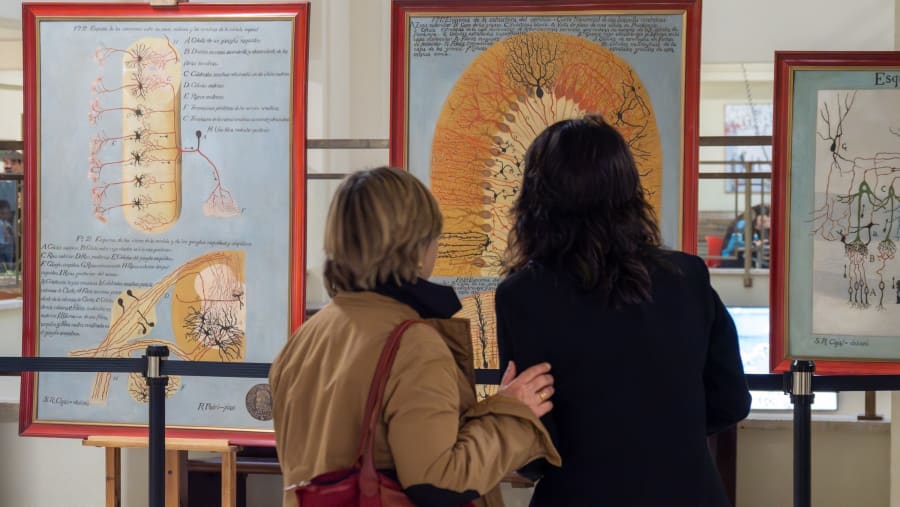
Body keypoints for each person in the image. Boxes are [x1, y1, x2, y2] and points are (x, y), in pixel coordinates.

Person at [496, 115, 751, 506]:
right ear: (630, 189)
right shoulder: (688, 276)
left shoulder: (522, 296)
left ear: (536, 198)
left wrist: (508, 413)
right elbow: (732, 400)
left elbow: (537, 451)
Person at [270, 166, 560, 507]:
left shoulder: (303, 341)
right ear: (415, 245)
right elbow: (437, 481)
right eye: (434, 235)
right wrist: (514, 417)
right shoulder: (411, 343)